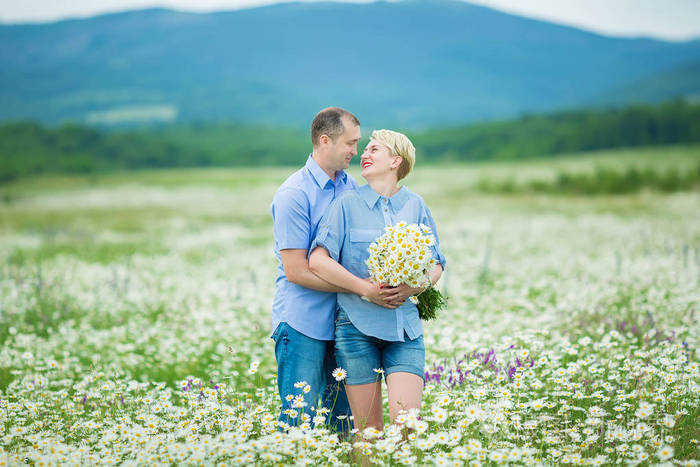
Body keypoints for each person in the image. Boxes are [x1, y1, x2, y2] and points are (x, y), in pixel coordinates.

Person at [309, 129, 446, 432]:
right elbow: (317, 260)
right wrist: (365, 290)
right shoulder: (346, 204)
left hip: (405, 330)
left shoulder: (416, 205)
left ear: (396, 160)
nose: (364, 155)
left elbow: (437, 264)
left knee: (406, 426)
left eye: (374, 150)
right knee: (369, 432)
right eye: (365, 150)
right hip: (356, 329)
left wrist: (415, 287)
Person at [270, 107, 390, 432]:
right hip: (302, 324)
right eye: (350, 143)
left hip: (344, 327)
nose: (356, 151)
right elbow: (296, 271)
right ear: (325, 140)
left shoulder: (350, 188)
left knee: (344, 422)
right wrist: (360, 287)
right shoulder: (293, 195)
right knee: (299, 419)